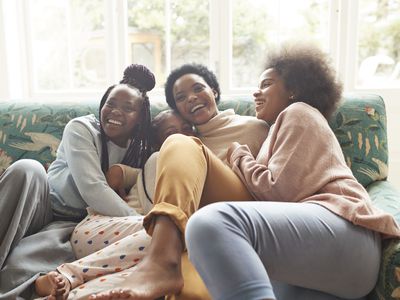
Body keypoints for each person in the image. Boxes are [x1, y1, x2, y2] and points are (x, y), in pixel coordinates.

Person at [184, 43, 400, 300]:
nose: (256, 92)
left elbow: (278, 191)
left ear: (293, 90)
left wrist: (239, 154)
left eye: (266, 84)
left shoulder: (298, 112)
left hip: (345, 227)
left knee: (210, 223)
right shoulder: (277, 131)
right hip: (336, 267)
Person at [89, 63, 269, 300]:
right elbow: (149, 170)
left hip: (240, 207)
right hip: (197, 225)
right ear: (178, 109)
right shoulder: (186, 136)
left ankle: (161, 260)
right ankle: (163, 269)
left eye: (198, 88)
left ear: (214, 90)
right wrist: (121, 171)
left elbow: (270, 181)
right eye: (181, 97)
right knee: (187, 289)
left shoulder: (255, 127)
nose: (192, 98)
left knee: (179, 143)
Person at [34, 109, 196, 299]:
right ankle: (70, 272)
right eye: (171, 133)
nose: (183, 136)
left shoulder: (194, 166)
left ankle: (70, 292)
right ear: (157, 143)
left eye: (187, 129)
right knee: (182, 231)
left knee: (147, 275)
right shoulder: (158, 159)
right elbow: (161, 211)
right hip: (99, 227)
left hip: (133, 245)